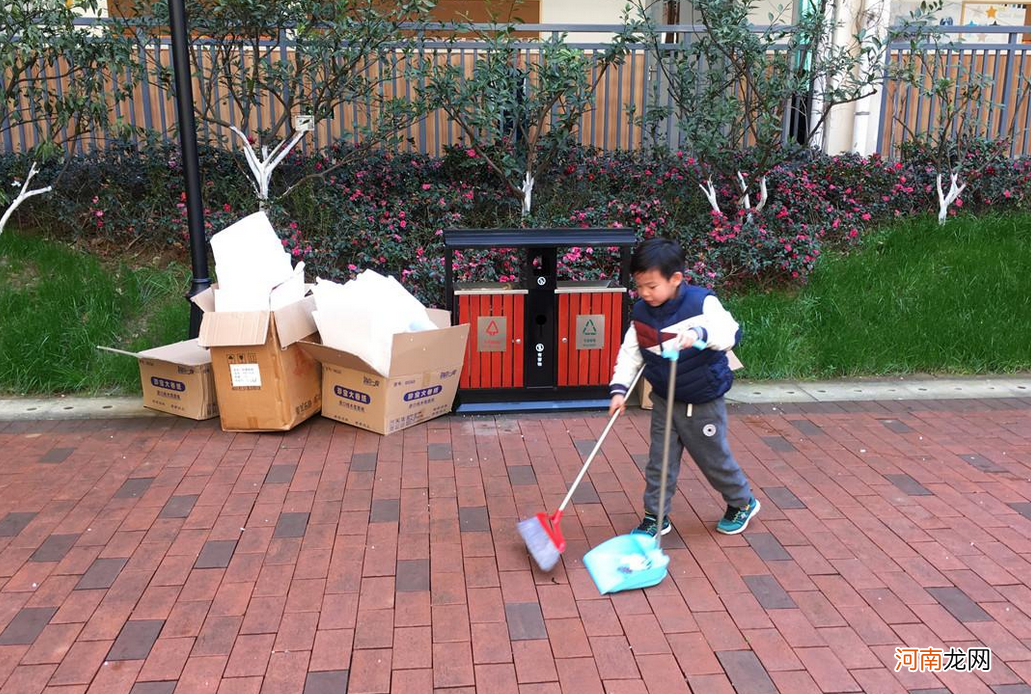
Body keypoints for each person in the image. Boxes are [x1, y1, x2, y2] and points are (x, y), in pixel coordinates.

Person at [608, 237, 759, 537]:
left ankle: (742, 502)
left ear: (675, 278)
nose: (645, 293)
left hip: (701, 399)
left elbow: (729, 332)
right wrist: (619, 389)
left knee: (712, 458)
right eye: (640, 286)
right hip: (665, 398)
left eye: (652, 286)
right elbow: (631, 352)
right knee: (659, 461)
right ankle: (655, 516)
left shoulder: (701, 302)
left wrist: (700, 331)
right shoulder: (642, 312)